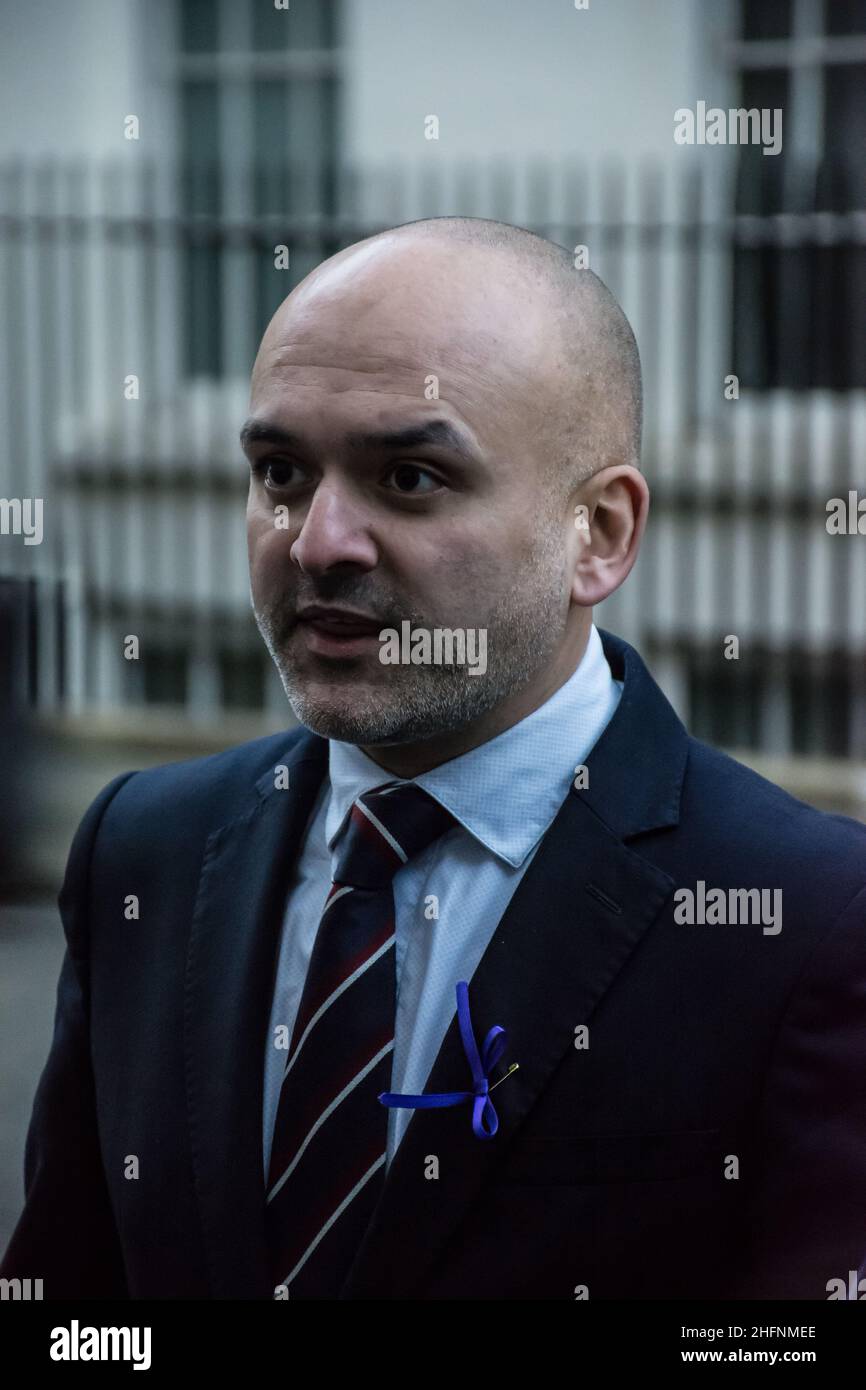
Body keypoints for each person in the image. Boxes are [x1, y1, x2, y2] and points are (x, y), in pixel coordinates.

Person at [3, 216, 865, 1300]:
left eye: (408, 477)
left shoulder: (806, 918)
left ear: (595, 533)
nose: (315, 540)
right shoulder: (144, 848)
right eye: (278, 470)